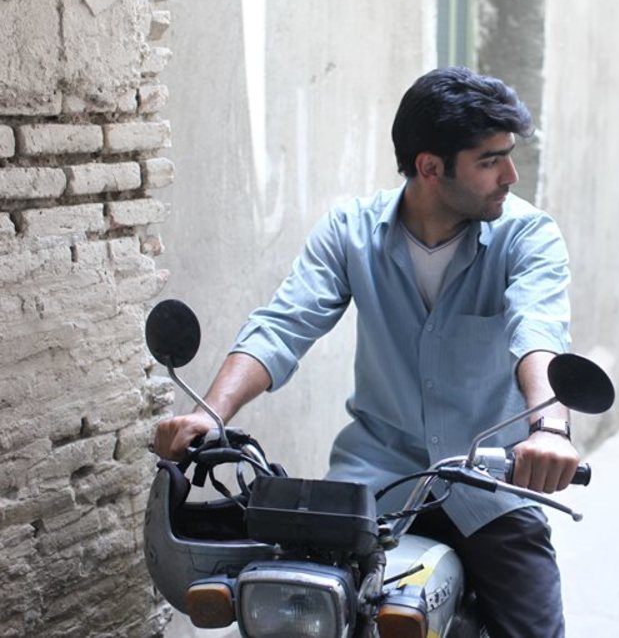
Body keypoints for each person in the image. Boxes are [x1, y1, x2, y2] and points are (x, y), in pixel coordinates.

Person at [153, 66, 580, 637]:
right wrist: (210, 414)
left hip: (491, 485)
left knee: (533, 628)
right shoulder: (350, 231)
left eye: (508, 155)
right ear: (430, 167)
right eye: (489, 160)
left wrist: (550, 429)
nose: (511, 174)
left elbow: (540, 337)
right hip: (375, 485)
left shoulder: (528, 237)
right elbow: (283, 326)